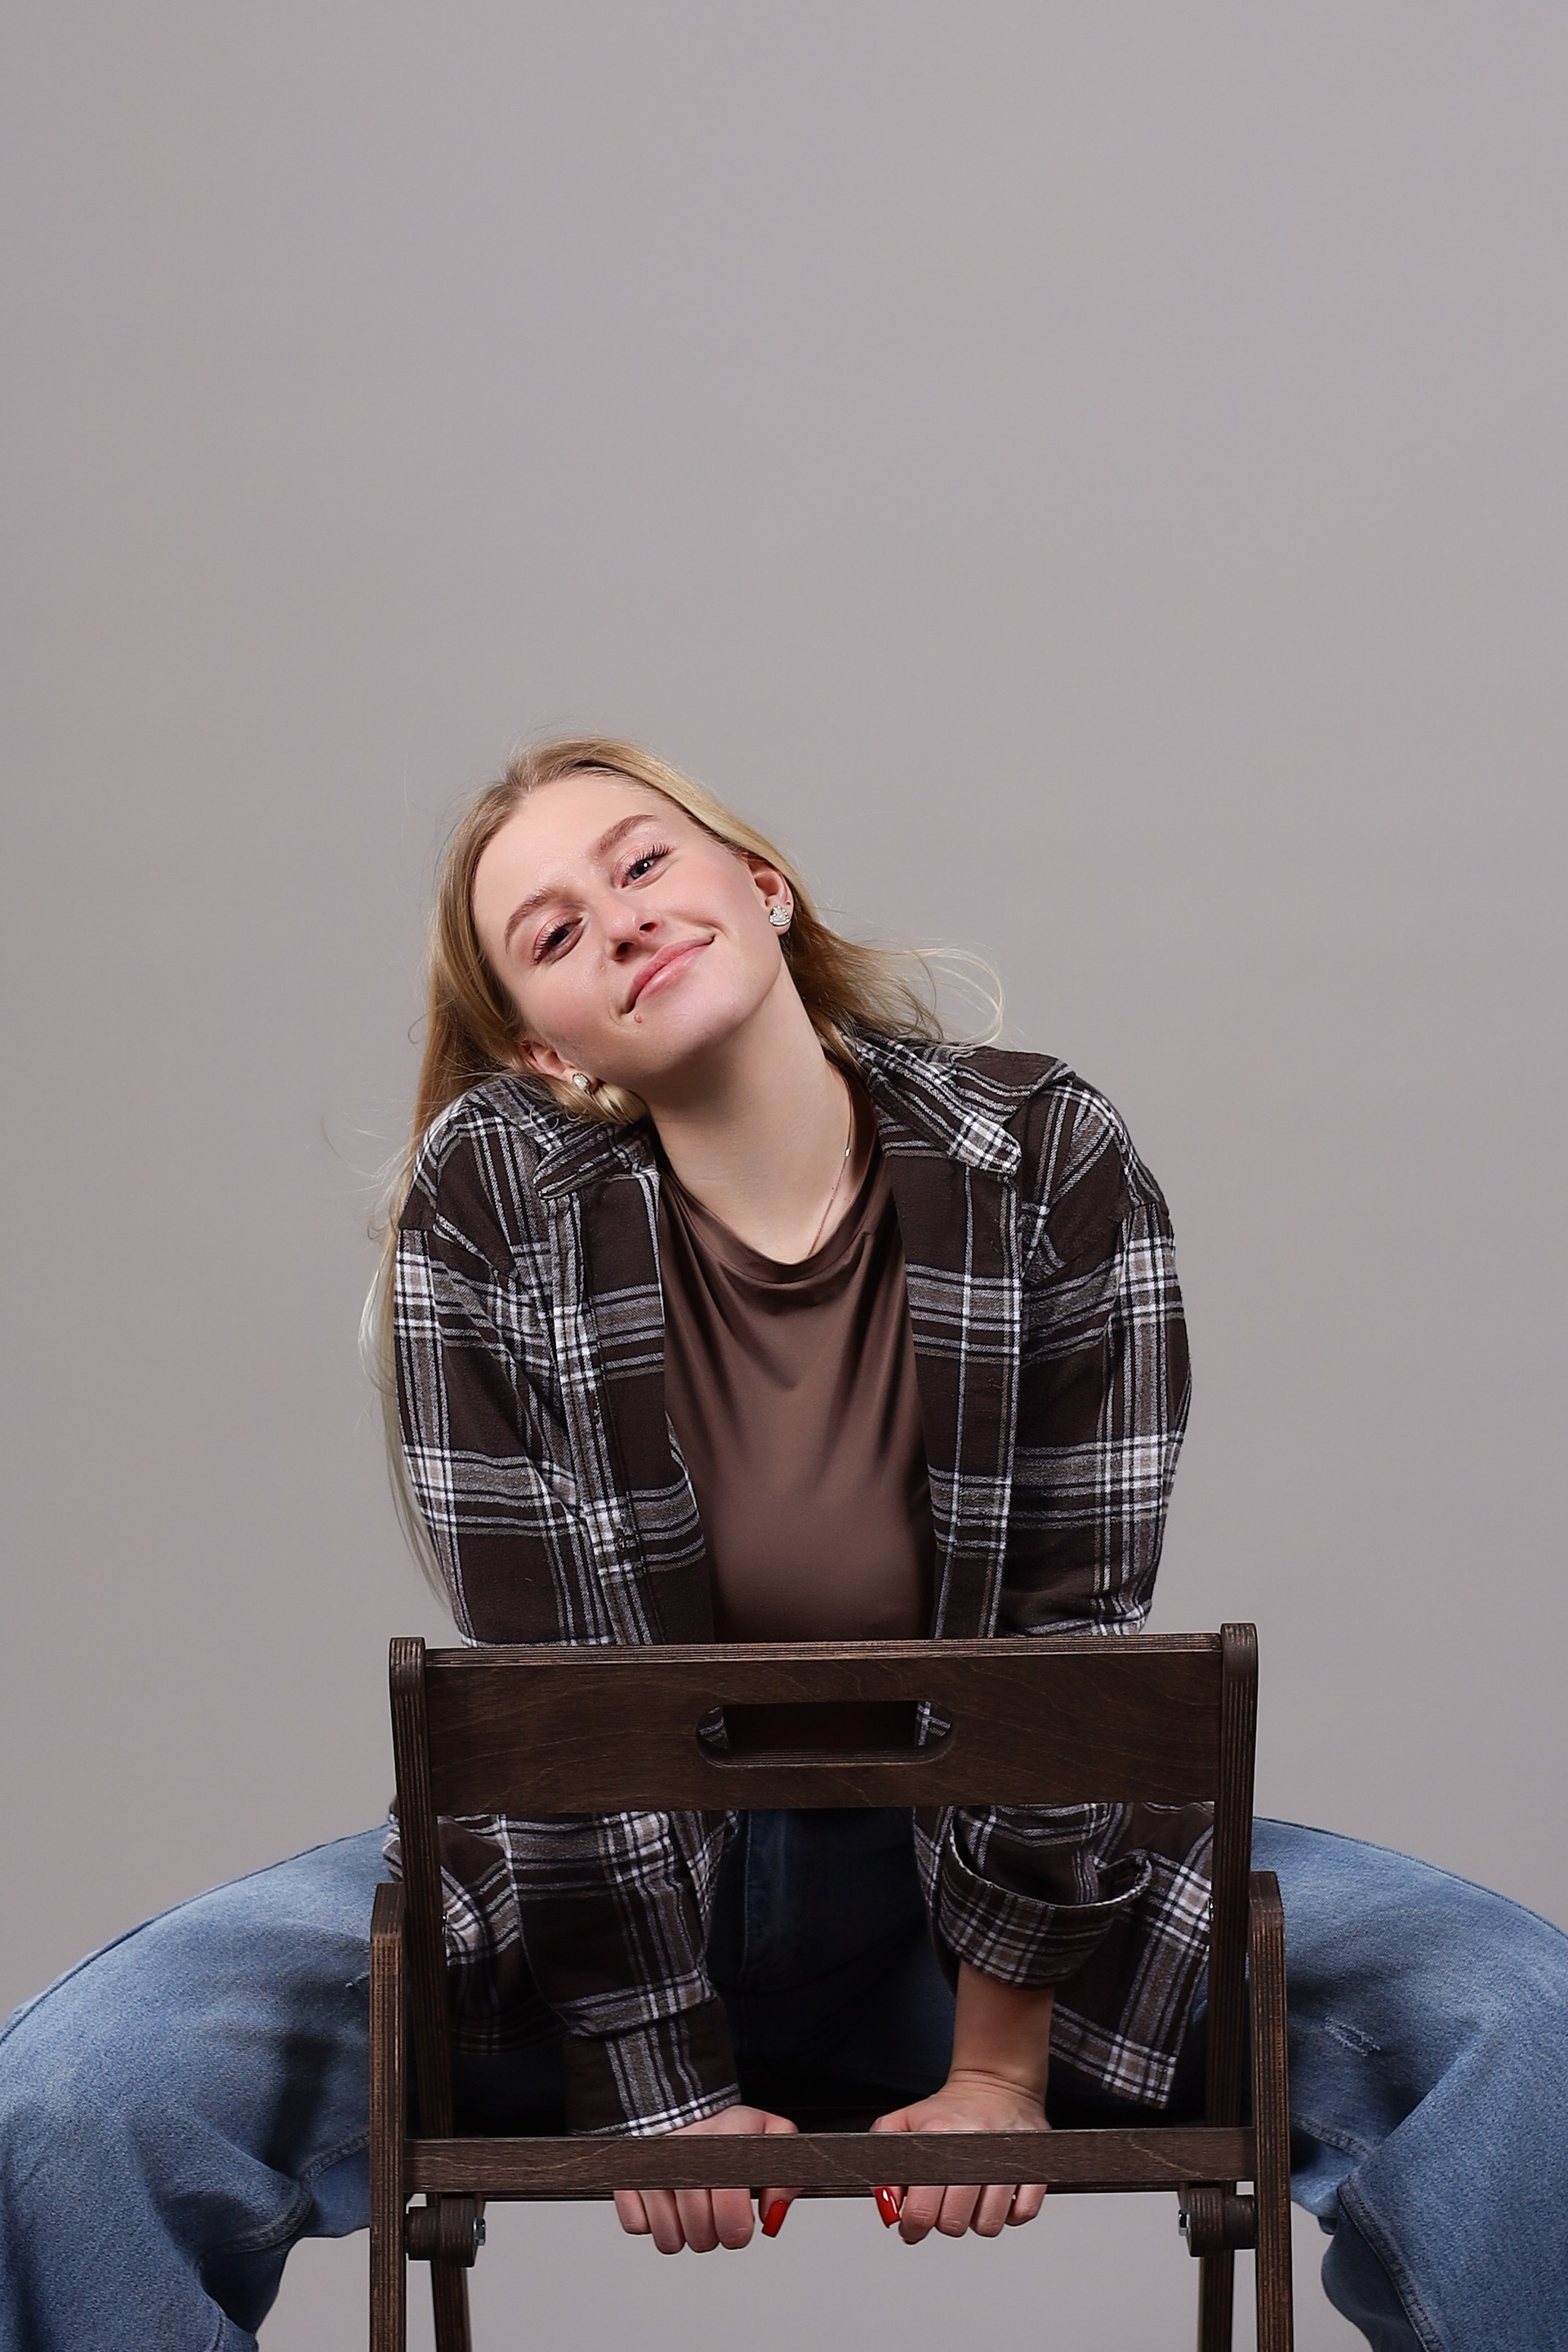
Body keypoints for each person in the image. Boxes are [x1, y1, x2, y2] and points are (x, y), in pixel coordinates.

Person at [0, 740, 1564, 2352]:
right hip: (594, 1907)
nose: (619, 918)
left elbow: (1068, 1642)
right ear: (545, 1050)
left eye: (641, 864)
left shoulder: (1045, 1152)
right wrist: (656, 2079)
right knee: (70, 2100)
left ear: (762, 887)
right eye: (552, 932)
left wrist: (998, 2064)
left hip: (1010, 1906)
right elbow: (554, 1686)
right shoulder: (491, 1205)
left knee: (1521, 2024)